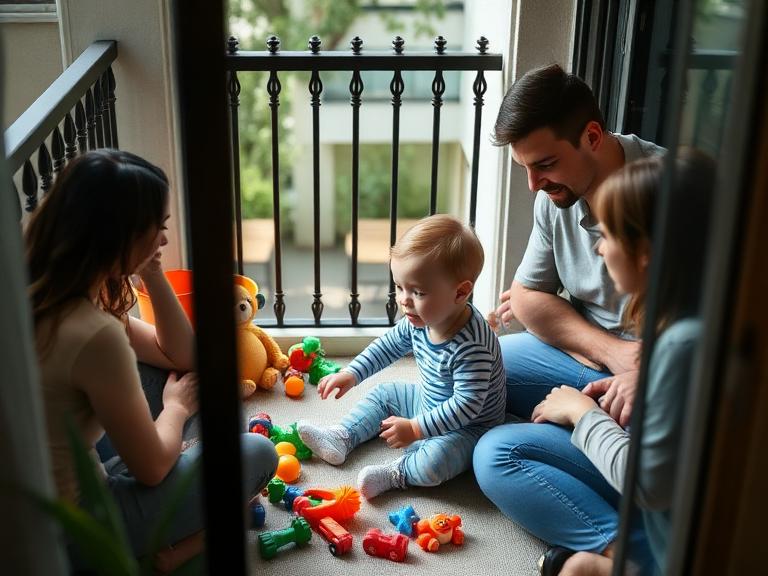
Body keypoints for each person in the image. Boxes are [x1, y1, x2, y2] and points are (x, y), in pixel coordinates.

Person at [25, 150, 278, 568]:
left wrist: (153, 273)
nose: (163, 240)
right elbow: (153, 470)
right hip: (76, 527)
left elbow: (183, 356)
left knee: (176, 374)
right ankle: (171, 552)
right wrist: (176, 410)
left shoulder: (53, 288)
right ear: (121, 237)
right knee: (256, 452)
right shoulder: (95, 334)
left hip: (61, 477)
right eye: (157, 230)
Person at [474, 150, 714, 575]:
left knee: (496, 452)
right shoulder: (685, 317)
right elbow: (526, 297)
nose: (600, 247)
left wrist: (582, 414)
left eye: (609, 235)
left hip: (668, 525)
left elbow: (647, 484)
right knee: (490, 363)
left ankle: (626, 557)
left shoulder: (683, 346)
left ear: (646, 252)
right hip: (638, 439)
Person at [489, 63, 665, 424]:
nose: (533, 184)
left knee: (498, 453)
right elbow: (526, 297)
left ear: (593, 137)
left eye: (545, 164)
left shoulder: (672, 187)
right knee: (475, 366)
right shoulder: (555, 198)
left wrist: (644, 367)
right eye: (524, 167)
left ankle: (585, 432)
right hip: (591, 359)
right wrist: (611, 351)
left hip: (658, 378)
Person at [297, 214, 506, 500]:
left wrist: (416, 428)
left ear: (460, 292)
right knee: (385, 393)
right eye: (399, 287)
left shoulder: (473, 346)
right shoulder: (419, 319)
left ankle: (399, 473)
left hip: (468, 428)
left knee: (436, 462)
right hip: (427, 400)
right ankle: (342, 436)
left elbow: (466, 406)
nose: (404, 299)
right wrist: (353, 373)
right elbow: (387, 346)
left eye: (418, 291)